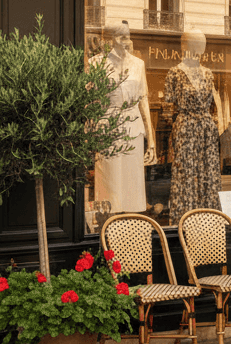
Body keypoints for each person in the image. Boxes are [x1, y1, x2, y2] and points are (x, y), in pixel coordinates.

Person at [92, 21, 155, 213]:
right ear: (110, 39)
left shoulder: (138, 64)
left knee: (132, 183)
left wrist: (151, 141)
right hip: (107, 126)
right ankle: (107, 227)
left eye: (128, 36)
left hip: (133, 127)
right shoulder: (96, 63)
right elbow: (92, 101)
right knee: (109, 182)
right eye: (121, 36)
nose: (126, 41)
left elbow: (143, 101)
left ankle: (131, 228)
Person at [164, 29, 222, 221]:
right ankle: (184, 217)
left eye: (203, 45)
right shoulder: (174, 73)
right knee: (186, 172)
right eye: (197, 44)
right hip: (186, 126)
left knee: (209, 172)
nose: (201, 49)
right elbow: (167, 106)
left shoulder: (208, 73)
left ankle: (209, 218)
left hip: (206, 127)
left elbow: (213, 103)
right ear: (185, 46)